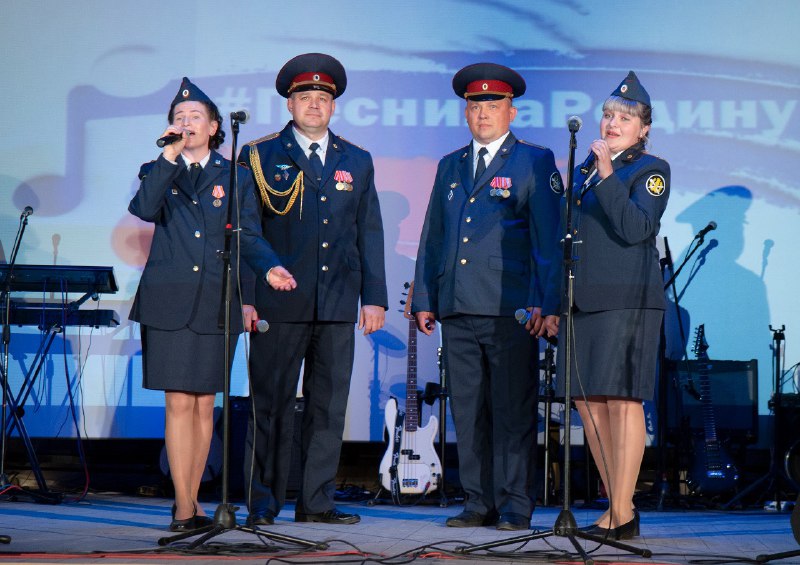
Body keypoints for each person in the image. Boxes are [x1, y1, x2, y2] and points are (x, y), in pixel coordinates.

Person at [129, 77, 293, 532]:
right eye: (179, 117)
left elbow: (248, 236)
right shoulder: (157, 169)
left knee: (205, 405)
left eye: (195, 116)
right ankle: (183, 506)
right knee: (179, 403)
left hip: (218, 300)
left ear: (215, 126)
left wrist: (269, 269)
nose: (186, 122)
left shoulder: (236, 175)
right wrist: (168, 156)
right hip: (170, 302)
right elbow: (144, 209)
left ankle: (195, 501)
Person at [238, 53, 387, 526]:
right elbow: (246, 231)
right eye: (305, 96)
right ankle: (263, 503)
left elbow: (370, 232)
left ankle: (316, 503)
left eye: (323, 97)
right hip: (278, 303)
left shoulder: (356, 159)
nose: (314, 104)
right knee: (271, 405)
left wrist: (374, 298)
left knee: (328, 408)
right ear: (289, 104)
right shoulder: (259, 155)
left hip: (338, 302)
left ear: (334, 105)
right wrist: (248, 294)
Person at [412, 63, 563, 531]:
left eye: (493, 105)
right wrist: (424, 297)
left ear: (511, 112)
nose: (483, 113)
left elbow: (547, 238)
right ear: (465, 112)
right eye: (475, 105)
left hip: (510, 306)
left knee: (512, 411)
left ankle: (515, 504)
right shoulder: (450, 164)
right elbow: (433, 235)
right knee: (468, 410)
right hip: (458, 304)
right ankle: (477, 501)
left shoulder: (534, 160)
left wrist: (546, 301)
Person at [553, 71, 670, 540]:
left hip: (627, 301)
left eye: (624, 117)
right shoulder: (585, 170)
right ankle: (617, 508)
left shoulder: (651, 170)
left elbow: (636, 228)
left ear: (644, 128)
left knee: (622, 401)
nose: (612, 123)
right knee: (587, 402)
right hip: (582, 301)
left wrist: (606, 175)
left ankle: (621, 513)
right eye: (607, 115)